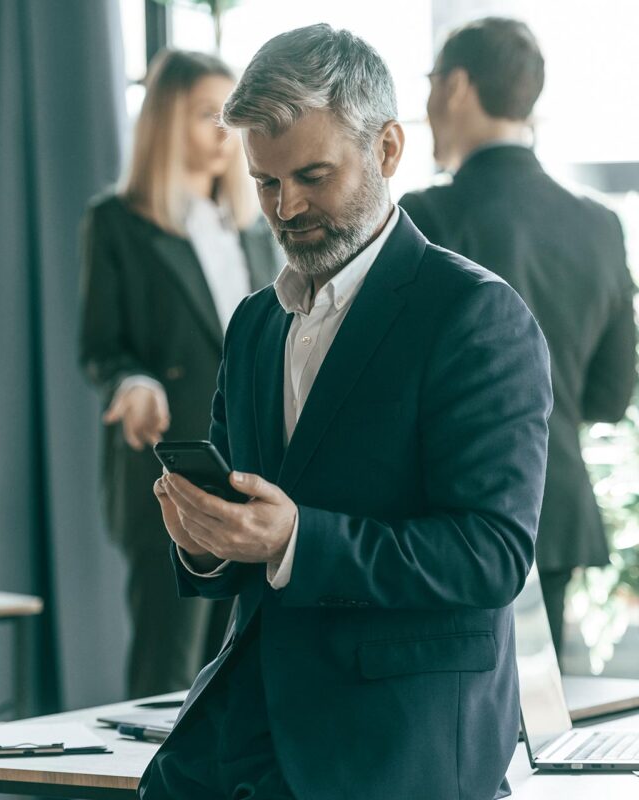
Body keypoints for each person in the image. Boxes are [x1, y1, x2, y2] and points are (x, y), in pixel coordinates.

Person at [140, 24, 552, 800]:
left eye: (313, 176)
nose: (285, 207)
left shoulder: (474, 318)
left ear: (388, 150)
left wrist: (298, 539)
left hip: (395, 746)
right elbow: (241, 535)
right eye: (265, 183)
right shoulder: (257, 324)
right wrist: (203, 540)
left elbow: (491, 555)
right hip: (248, 740)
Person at [400, 17, 636, 658]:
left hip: (443, 522)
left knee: (454, 733)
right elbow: (613, 395)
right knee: (544, 739)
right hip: (553, 507)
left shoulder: (423, 218)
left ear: (454, 87)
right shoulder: (599, 224)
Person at [79, 49, 280, 699]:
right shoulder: (117, 224)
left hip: (251, 471)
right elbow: (103, 348)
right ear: (165, 122)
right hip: (169, 466)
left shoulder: (253, 230)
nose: (224, 131)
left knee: (242, 663)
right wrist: (136, 386)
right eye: (205, 115)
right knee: (167, 665)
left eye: (232, 116)